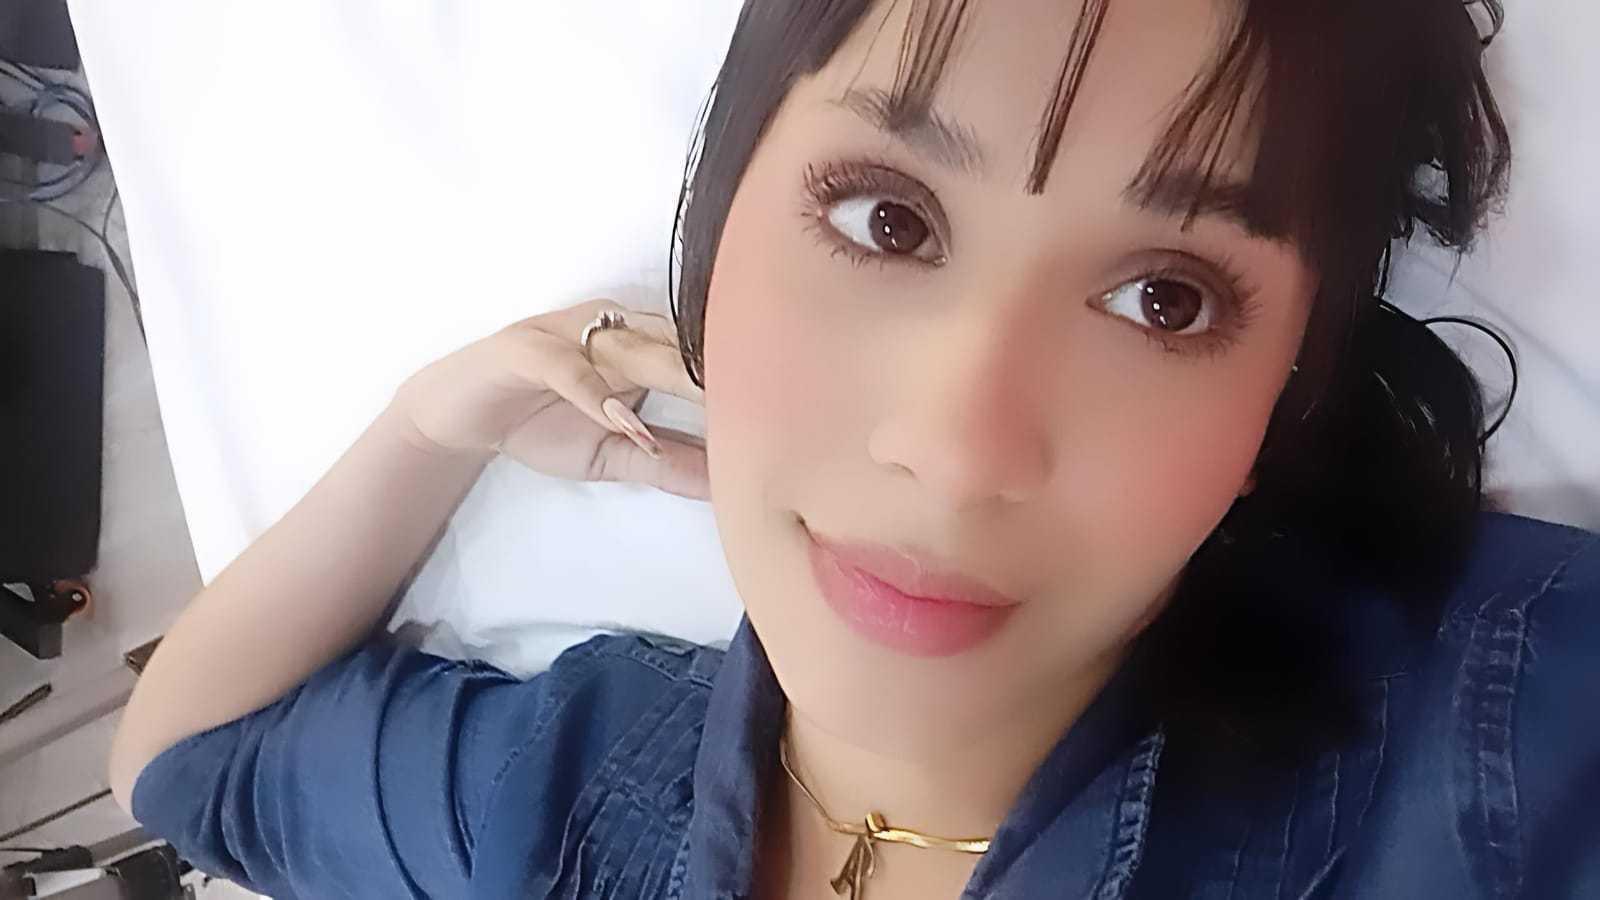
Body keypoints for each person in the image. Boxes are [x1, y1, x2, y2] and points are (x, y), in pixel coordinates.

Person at [108, 0, 1600, 897]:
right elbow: (189, 759)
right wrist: (434, 424)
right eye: (889, 220)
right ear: (713, 236)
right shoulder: (578, 794)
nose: (957, 451)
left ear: (1284, 396)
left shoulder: (1510, 754)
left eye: (1165, 299)